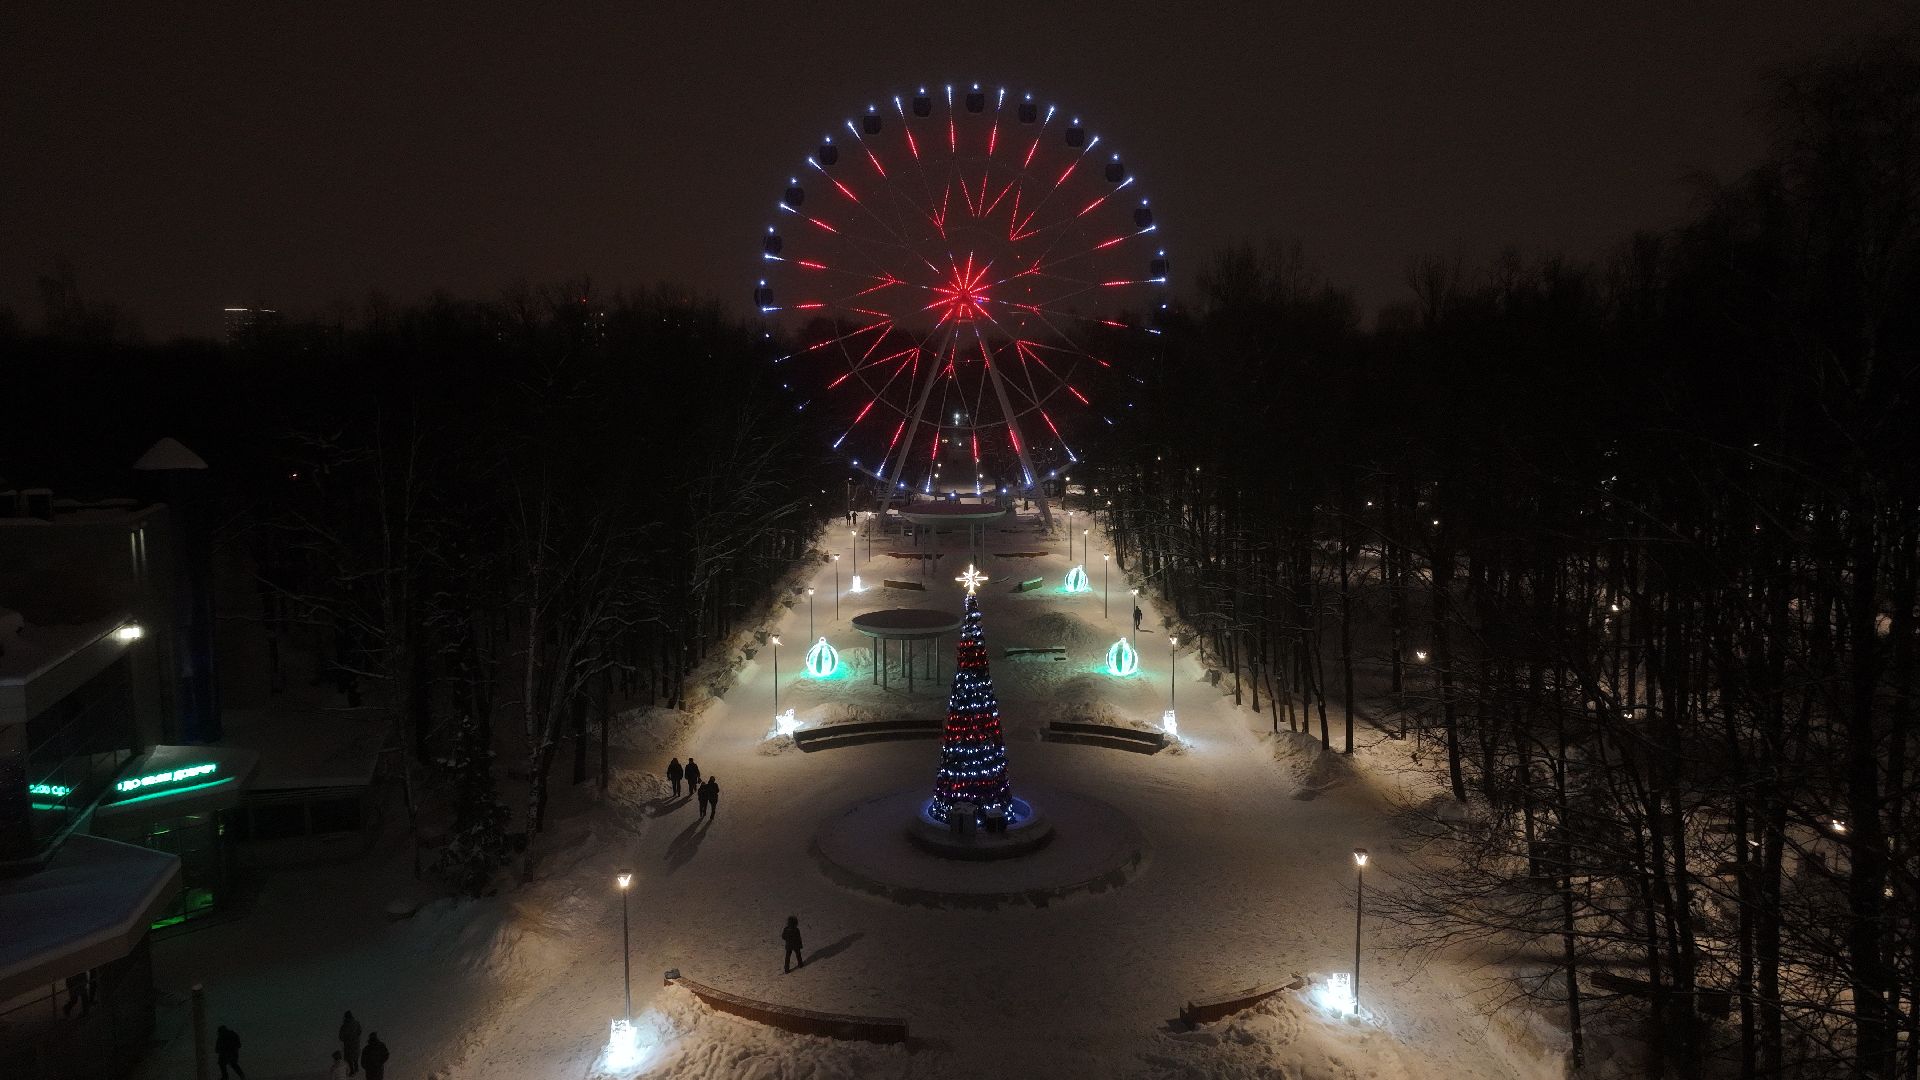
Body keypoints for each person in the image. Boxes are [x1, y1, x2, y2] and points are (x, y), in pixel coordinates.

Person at [339, 1010, 362, 1075]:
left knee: (349, 1057)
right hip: (355, 1043)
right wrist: (356, 1037)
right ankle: (356, 1066)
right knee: (355, 1055)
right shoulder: (356, 1023)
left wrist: (345, 1039)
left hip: (348, 1044)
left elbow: (340, 1036)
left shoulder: (344, 1026)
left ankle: (352, 1070)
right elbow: (360, 1031)